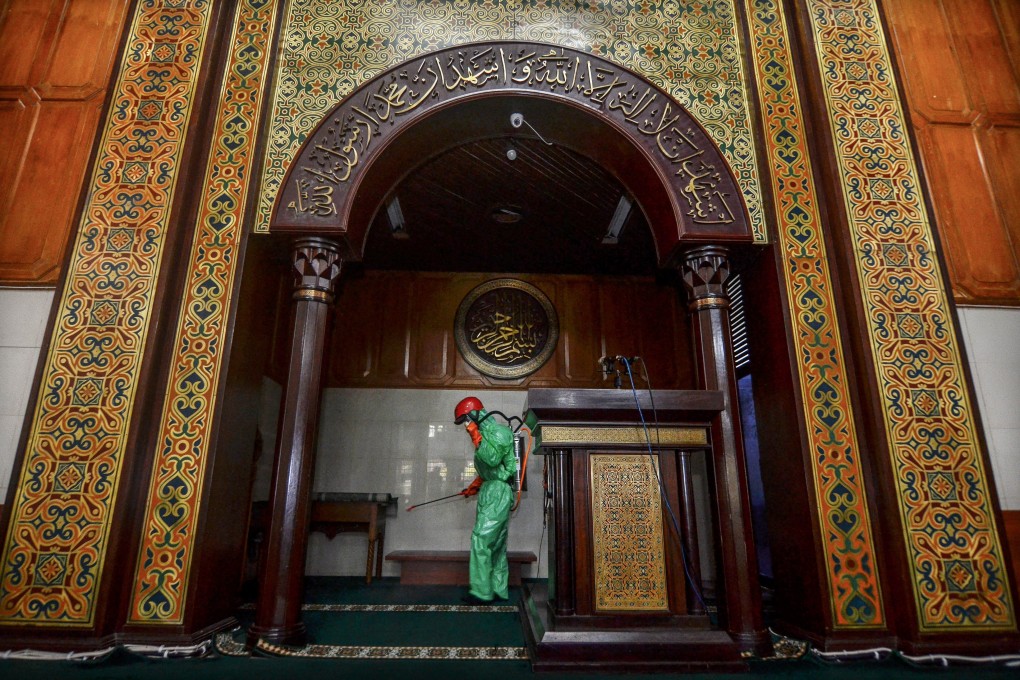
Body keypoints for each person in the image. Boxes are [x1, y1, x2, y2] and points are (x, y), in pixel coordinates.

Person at [454, 396, 516, 604]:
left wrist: (476, 437)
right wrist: (476, 485)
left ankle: (481, 592)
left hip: (498, 492)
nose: (465, 425)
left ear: (474, 414)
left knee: (481, 539)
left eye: (466, 419)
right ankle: (498, 589)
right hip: (491, 489)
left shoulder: (499, 433)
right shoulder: (484, 435)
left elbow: (491, 458)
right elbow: (490, 468)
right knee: (496, 544)